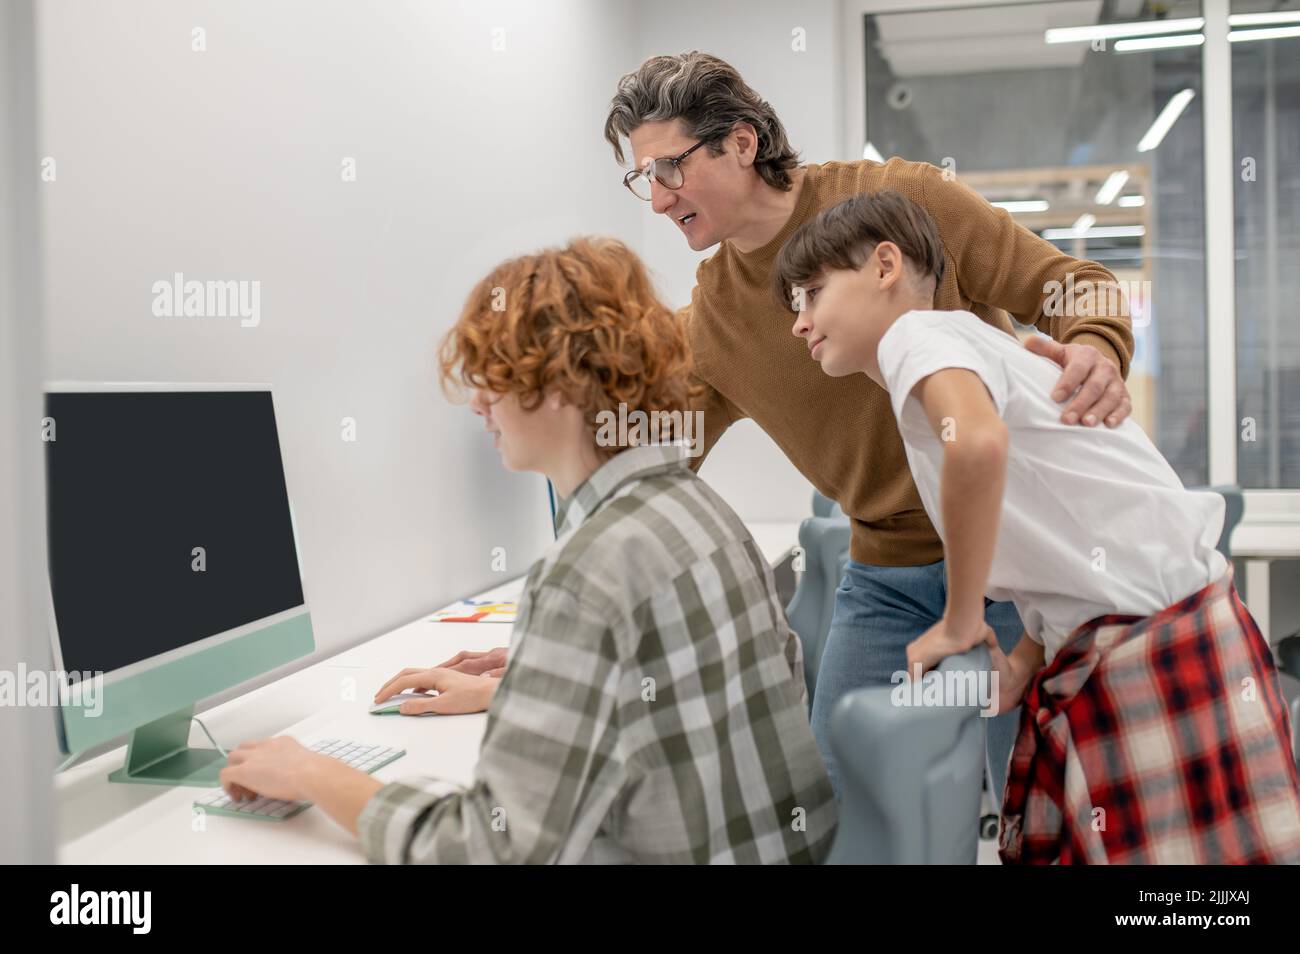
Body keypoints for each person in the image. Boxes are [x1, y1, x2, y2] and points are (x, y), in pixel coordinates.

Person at [601, 51, 1135, 797]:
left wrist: (1097, 348)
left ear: (742, 142)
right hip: (887, 576)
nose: (658, 200)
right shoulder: (713, 321)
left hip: (1016, 553)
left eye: (669, 169)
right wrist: (569, 633)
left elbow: (1077, 287)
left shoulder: (900, 204)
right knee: (840, 804)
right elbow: (647, 479)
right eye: (643, 179)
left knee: (1044, 793)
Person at [218, 237, 837, 864]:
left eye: (494, 377)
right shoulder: (704, 512)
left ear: (562, 384)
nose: (479, 404)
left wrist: (312, 773)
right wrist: (534, 684)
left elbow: (488, 848)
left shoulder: (585, 573)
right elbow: (679, 701)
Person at [776, 188, 1300, 863]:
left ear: (885, 266)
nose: (800, 324)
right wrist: (1026, 656)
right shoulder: (970, 345)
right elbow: (1057, 531)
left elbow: (978, 447)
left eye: (813, 293)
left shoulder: (915, 337)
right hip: (1171, 625)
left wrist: (962, 619)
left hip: (1141, 640)